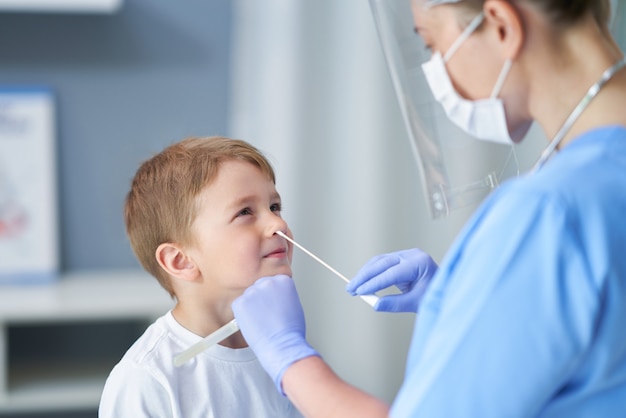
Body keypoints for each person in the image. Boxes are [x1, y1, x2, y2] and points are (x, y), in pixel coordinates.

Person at [230, 0, 626, 416]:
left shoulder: (550, 215)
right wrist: (465, 300)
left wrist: (290, 357)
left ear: (503, 25)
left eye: (432, 45)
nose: (438, 72)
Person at [99, 136, 304, 417]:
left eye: (274, 207)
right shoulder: (147, 379)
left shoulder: (281, 345)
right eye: (245, 212)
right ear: (181, 261)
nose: (278, 224)